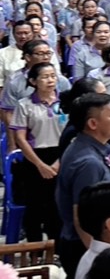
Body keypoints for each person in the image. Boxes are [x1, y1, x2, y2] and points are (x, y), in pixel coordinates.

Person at [54, 90, 110, 279]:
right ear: (93, 123)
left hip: (92, 242)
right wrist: (98, 257)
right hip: (83, 245)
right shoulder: (88, 162)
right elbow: (81, 216)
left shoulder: (97, 147)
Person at [9, 62, 67, 242]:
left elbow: (72, 135)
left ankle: (56, 247)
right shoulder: (24, 104)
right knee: (35, 205)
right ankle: (34, 247)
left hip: (62, 155)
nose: (50, 80)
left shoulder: (66, 102)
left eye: (53, 76)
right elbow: (20, 138)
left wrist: (58, 163)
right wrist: (40, 165)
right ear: (33, 81)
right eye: (45, 76)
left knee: (57, 205)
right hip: (35, 157)